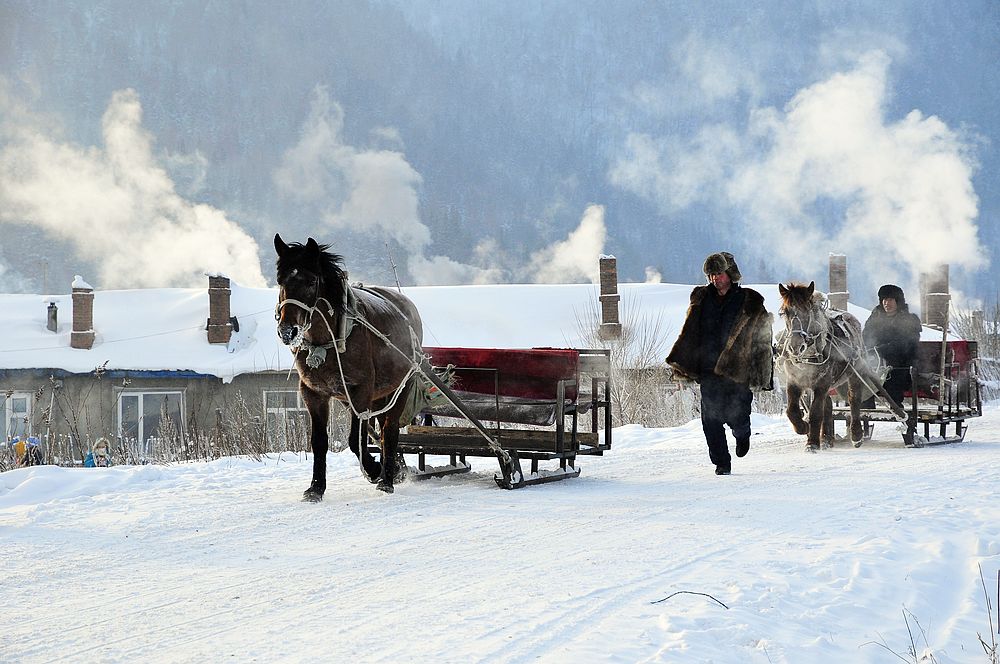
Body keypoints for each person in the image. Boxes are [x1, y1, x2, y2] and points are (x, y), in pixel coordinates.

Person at [666, 252, 774, 476]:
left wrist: (760, 370)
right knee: (710, 419)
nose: (715, 279)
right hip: (708, 367)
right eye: (711, 275)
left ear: (730, 274)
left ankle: (742, 433)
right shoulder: (701, 299)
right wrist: (685, 360)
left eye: (719, 274)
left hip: (738, 370)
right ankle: (721, 463)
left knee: (738, 415)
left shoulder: (749, 301)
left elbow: (763, 338)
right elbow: (689, 330)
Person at [862, 284, 922, 407]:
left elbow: (907, 344)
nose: (886, 303)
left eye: (890, 299)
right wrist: (870, 351)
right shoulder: (874, 319)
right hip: (875, 365)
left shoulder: (909, 320)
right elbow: (865, 338)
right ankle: (865, 412)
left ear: (897, 301)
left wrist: (882, 350)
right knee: (862, 375)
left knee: (893, 376)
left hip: (900, 366)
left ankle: (897, 409)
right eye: (884, 299)